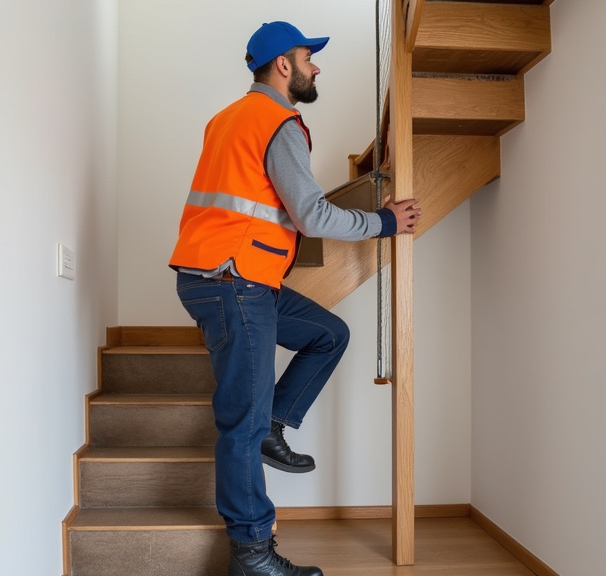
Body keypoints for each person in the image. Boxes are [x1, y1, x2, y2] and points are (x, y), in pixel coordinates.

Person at [169, 21, 422, 576]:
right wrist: (383, 221)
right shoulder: (278, 121)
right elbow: (311, 214)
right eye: (309, 57)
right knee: (242, 422)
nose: (316, 67)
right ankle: (253, 553)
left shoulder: (227, 117)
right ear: (283, 64)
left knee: (330, 334)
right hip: (233, 280)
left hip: (230, 274)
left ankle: (276, 425)